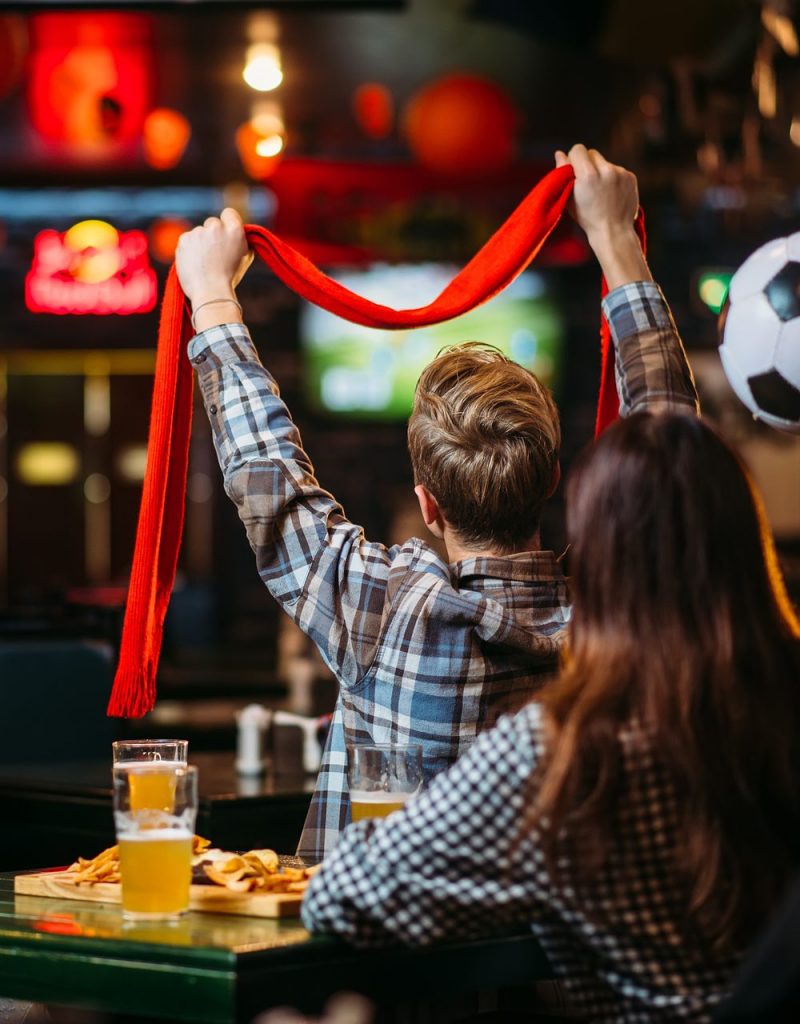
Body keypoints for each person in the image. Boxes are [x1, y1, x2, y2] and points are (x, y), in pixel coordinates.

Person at [175, 144, 699, 861]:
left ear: (428, 503)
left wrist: (211, 296)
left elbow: (268, 477)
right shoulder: (620, 612)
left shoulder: (384, 611)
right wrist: (616, 239)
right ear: (550, 479)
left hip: (375, 971)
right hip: (548, 969)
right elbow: (674, 458)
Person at [302, 410, 800, 1022]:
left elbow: (340, 895)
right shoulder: (774, 708)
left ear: (599, 559)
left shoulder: (562, 751)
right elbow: (682, 486)